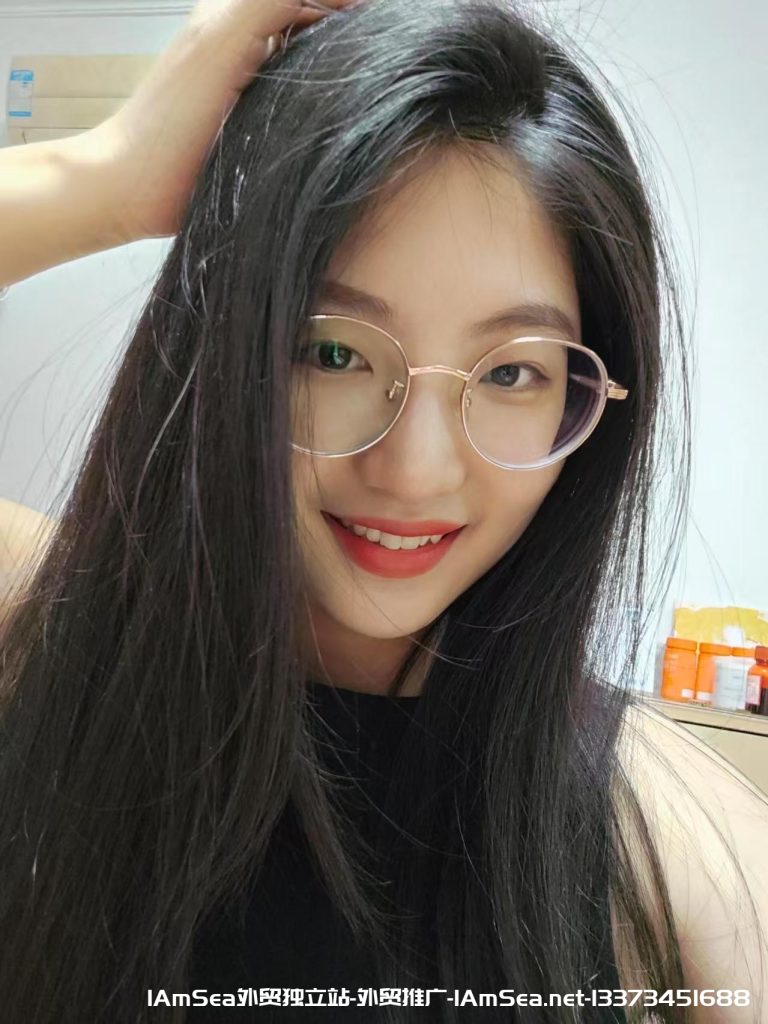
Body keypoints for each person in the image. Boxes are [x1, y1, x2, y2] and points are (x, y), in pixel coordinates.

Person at [0, 0, 766, 1021]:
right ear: (231, 348)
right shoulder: (51, 637)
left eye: (511, 373)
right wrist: (102, 178)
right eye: (334, 353)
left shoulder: (677, 854)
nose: (414, 472)